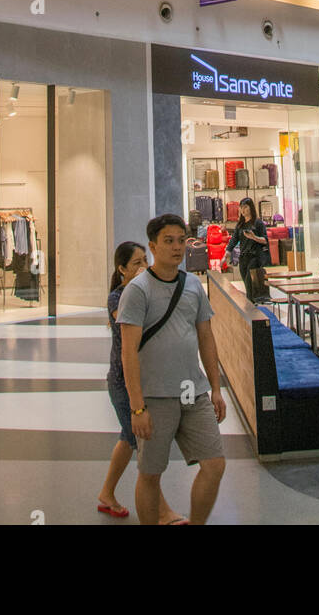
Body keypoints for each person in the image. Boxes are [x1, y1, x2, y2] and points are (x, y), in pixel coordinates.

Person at [118, 214, 226, 526]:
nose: (177, 247)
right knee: (151, 473)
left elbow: (206, 337)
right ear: (153, 246)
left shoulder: (193, 284)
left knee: (215, 464)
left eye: (181, 240)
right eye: (169, 241)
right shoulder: (137, 291)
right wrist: (138, 408)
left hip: (194, 392)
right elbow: (128, 352)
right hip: (155, 396)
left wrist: (216, 388)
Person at [98, 241, 185, 525]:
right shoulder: (118, 297)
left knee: (129, 438)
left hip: (144, 378)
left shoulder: (149, 290)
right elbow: (130, 321)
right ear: (122, 269)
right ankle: (161, 512)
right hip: (123, 381)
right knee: (143, 443)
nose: (142, 267)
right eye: (136, 263)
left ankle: (106, 494)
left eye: (144, 261)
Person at [224, 198, 270, 304]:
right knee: (248, 286)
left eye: (245, 207)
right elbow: (234, 239)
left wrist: (254, 237)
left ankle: (252, 310)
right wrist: (227, 253)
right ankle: (253, 306)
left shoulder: (258, 223)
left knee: (250, 285)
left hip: (255, 258)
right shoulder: (240, 224)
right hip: (243, 258)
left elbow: (265, 240)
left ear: (251, 208)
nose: (243, 210)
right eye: (241, 207)